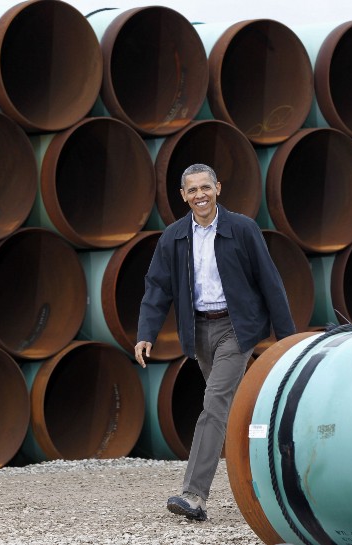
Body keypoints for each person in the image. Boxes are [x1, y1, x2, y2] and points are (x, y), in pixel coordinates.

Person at [134, 163, 295, 522]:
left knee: (214, 405)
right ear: (183, 196)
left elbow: (270, 282)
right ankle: (283, 471)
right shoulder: (173, 237)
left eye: (205, 187)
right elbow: (157, 288)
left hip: (236, 328)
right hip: (199, 332)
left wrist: (287, 342)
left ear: (218, 188)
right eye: (192, 190)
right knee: (241, 410)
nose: (200, 195)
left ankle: (194, 494)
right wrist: (146, 333)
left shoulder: (242, 229)